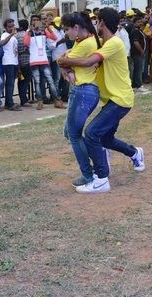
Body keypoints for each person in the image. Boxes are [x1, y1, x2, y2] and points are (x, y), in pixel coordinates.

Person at [60, 8, 144, 193]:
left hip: (120, 99)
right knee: (105, 138)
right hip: (112, 99)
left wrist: (62, 62)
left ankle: (101, 178)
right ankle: (134, 153)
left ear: (102, 22)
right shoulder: (103, 43)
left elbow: (88, 61)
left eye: (96, 21)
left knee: (91, 133)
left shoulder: (114, 43)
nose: (94, 25)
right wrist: (66, 59)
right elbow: (77, 52)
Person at [57, 12, 101, 187]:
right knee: (70, 132)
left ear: (76, 27)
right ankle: (97, 164)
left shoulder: (86, 44)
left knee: (74, 135)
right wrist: (65, 66)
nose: (66, 33)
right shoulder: (83, 40)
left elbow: (62, 60)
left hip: (83, 91)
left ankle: (89, 174)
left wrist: (64, 65)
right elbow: (64, 60)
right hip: (84, 90)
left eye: (67, 29)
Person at [24, 14, 65, 110]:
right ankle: (40, 101)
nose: (35, 21)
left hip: (44, 59)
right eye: (33, 20)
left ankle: (56, 100)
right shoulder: (28, 32)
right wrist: (30, 31)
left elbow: (54, 38)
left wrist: (47, 28)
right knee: (37, 82)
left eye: (37, 20)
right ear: (31, 22)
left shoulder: (44, 31)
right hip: (34, 60)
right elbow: (26, 43)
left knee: (50, 80)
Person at [0, 18, 21, 111]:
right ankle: (9, 103)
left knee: (11, 83)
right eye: (9, 26)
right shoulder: (4, 35)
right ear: (5, 27)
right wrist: (11, 34)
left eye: (13, 26)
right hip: (8, 62)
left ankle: (9, 101)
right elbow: (2, 43)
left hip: (14, 61)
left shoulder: (14, 37)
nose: (12, 28)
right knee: (10, 83)